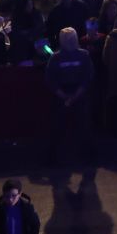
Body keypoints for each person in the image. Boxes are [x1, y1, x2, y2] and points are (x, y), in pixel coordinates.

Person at [45, 27, 95, 163]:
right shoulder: (55, 57)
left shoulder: (84, 55)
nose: (69, 41)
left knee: (84, 126)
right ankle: (54, 158)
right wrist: (63, 96)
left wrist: (76, 95)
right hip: (61, 94)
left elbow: (88, 76)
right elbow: (50, 79)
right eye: (66, 39)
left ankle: (89, 157)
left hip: (80, 93)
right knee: (57, 127)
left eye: (72, 38)